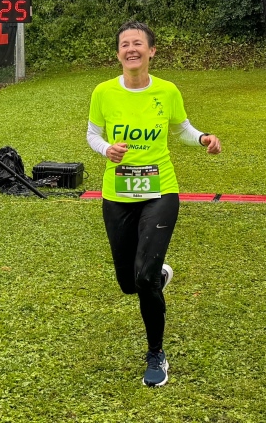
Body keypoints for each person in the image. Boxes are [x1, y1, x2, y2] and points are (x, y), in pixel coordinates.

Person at [86, 21, 221, 387]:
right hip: (117, 195)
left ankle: (156, 354)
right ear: (118, 53)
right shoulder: (103, 92)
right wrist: (106, 149)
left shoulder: (167, 91)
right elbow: (93, 134)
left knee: (143, 277)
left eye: (138, 43)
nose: (131, 49)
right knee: (129, 283)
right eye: (125, 44)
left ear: (151, 51)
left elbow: (182, 129)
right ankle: (157, 276)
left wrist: (203, 138)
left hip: (160, 191)